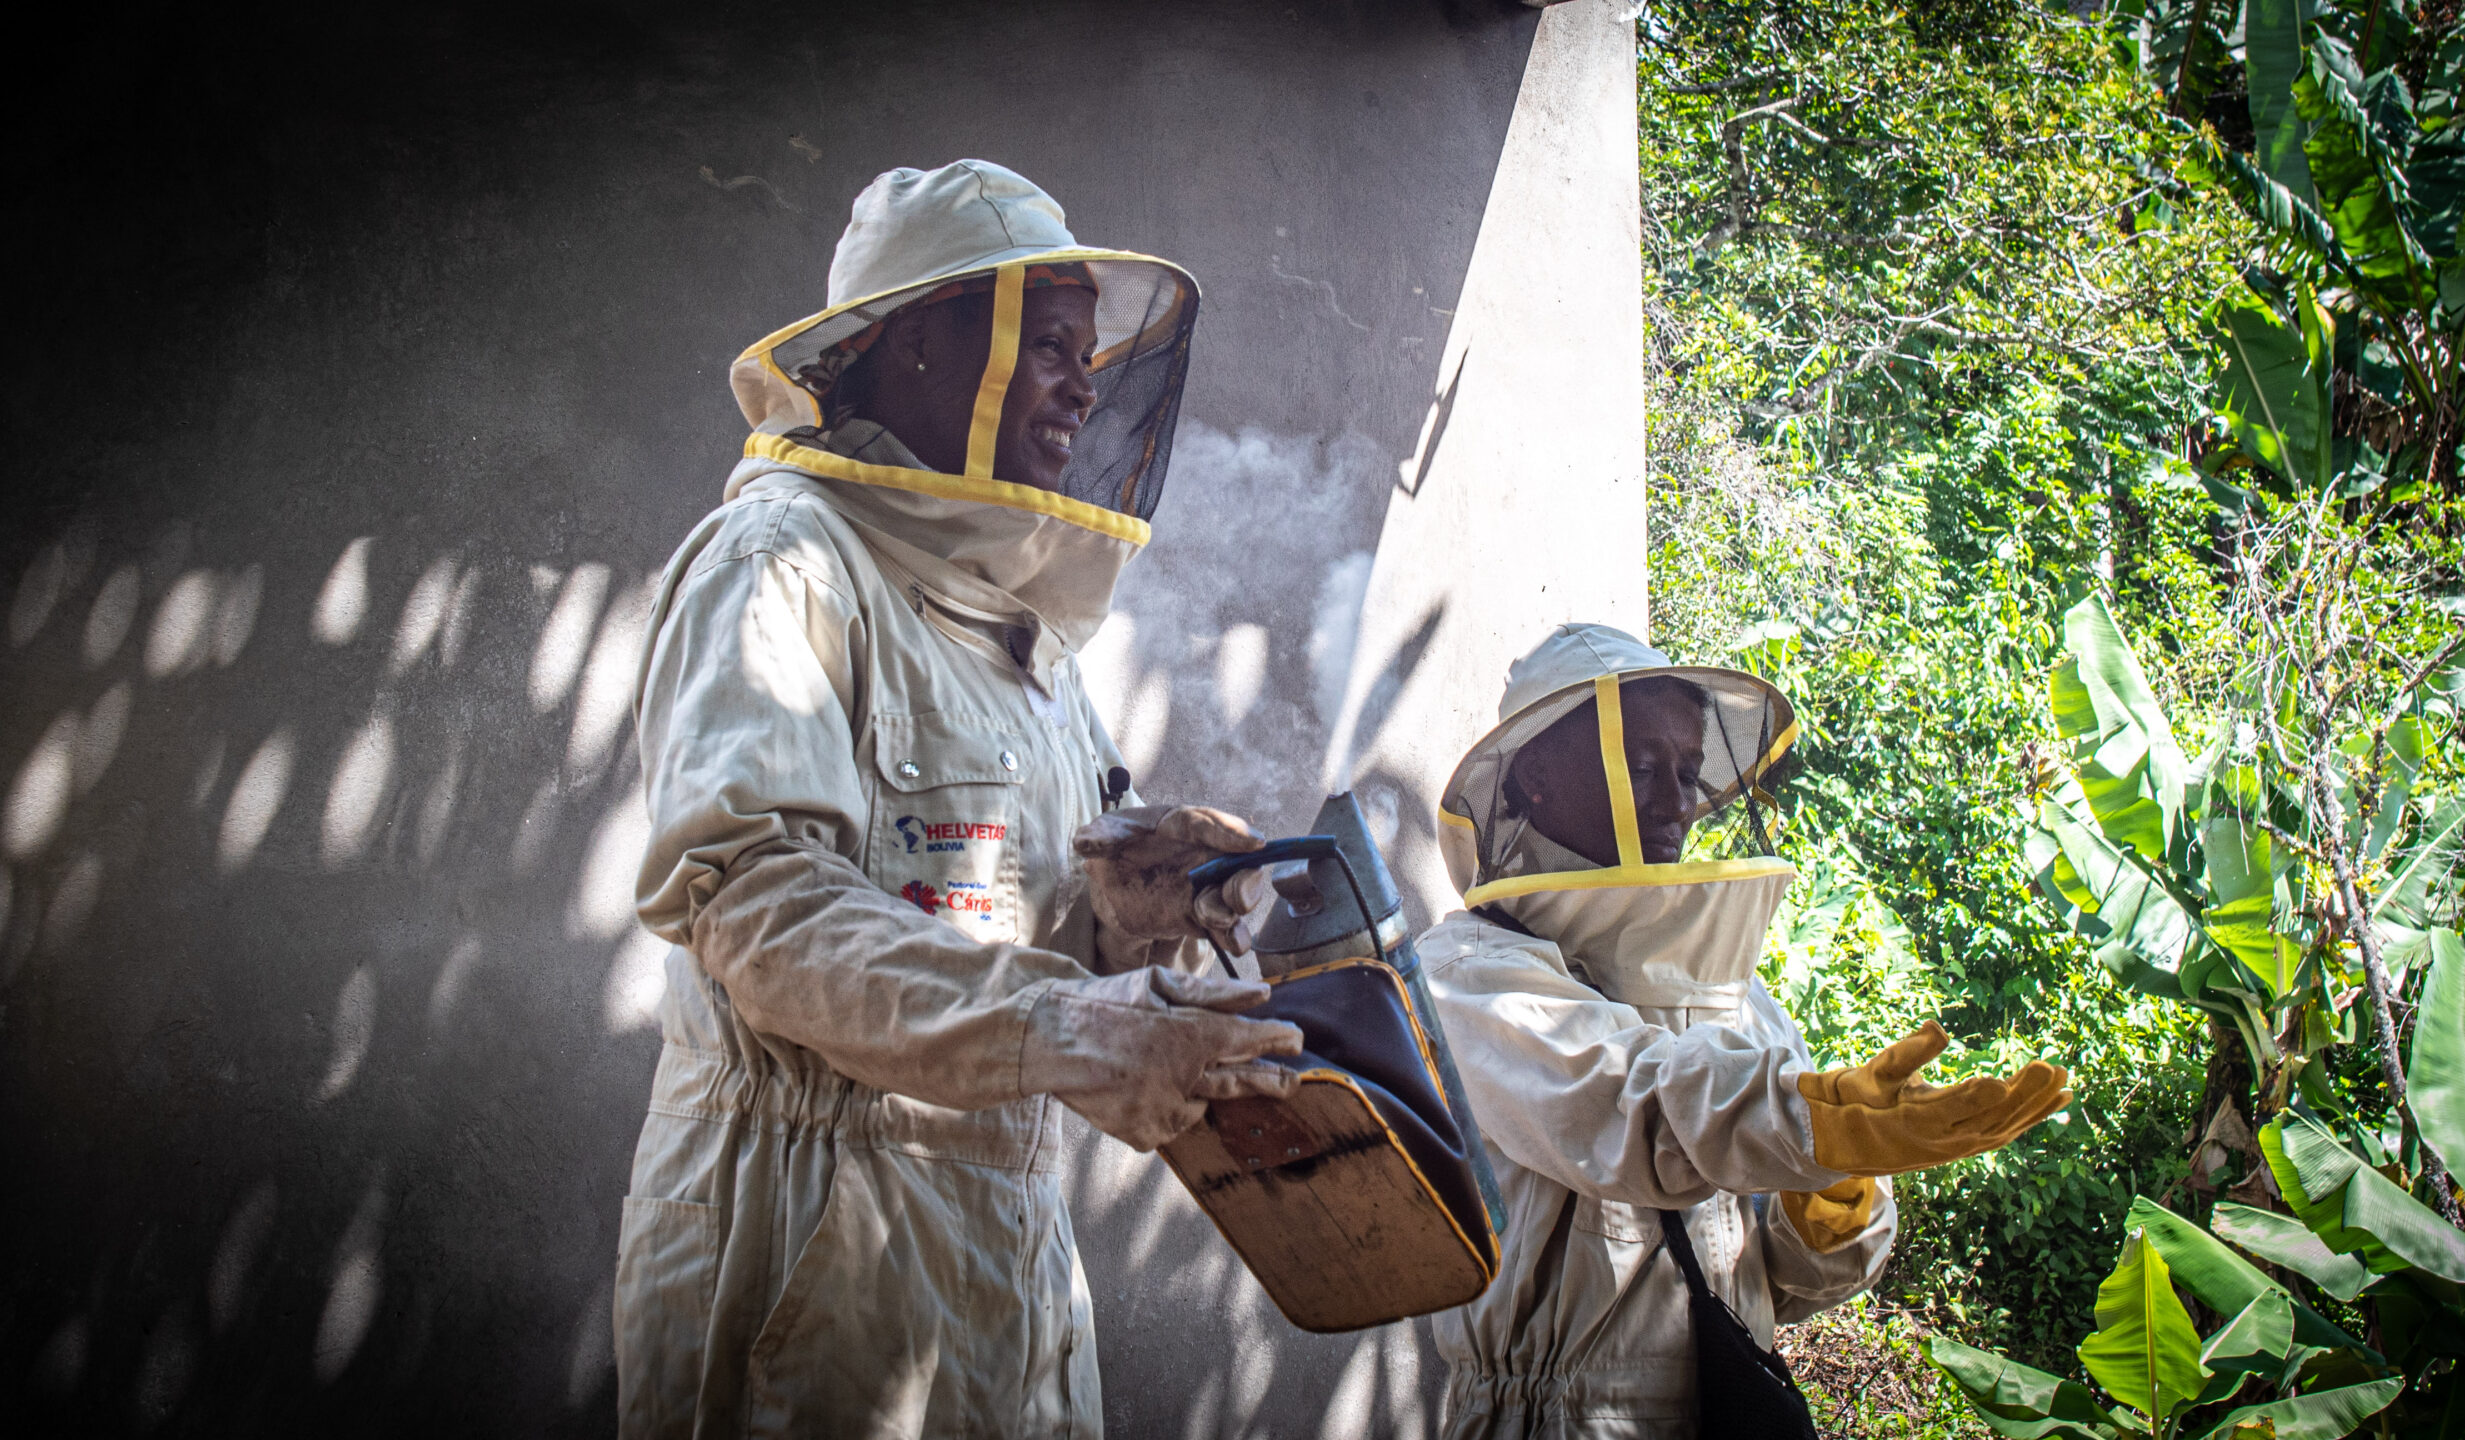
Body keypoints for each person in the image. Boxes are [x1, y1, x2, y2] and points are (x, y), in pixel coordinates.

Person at [612, 159, 1294, 1438]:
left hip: (1005, 1262)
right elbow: (757, 908)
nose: (1086, 385)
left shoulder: (1026, 643)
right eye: (1048, 346)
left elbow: (1011, 924)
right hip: (809, 1244)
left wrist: (1121, 923)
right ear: (919, 343)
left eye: (1090, 355)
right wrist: (1077, 1028)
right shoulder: (781, 561)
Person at [1419, 623, 2071, 1439]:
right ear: (1538, 776)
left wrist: (1833, 1190)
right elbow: (1630, 1104)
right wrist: (1806, 1123)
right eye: (1643, 766)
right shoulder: (1470, 971)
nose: (1678, 801)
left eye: (1688, 771)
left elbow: (1786, 1287)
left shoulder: (1736, 994)